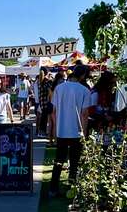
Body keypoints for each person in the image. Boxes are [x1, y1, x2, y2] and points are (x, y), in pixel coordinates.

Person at [49, 65, 91, 197]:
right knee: (74, 162)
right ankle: (72, 189)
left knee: (58, 161)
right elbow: (84, 114)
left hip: (62, 131)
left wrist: (56, 127)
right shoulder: (84, 90)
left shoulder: (59, 88)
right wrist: (84, 133)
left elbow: (53, 111)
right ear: (83, 75)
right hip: (76, 131)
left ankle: (53, 188)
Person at [38, 67, 52, 137]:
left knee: (43, 118)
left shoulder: (40, 80)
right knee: (45, 118)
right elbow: (50, 91)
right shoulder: (47, 81)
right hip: (46, 102)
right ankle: (42, 133)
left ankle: (40, 132)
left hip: (41, 102)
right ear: (47, 72)